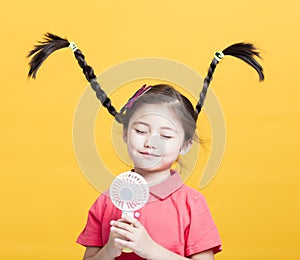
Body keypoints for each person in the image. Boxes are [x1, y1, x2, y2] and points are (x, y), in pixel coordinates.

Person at [28, 33, 264, 259]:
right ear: (125, 134)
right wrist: (110, 249)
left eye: (166, 135)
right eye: (141, 131)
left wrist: (150, 249)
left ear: (185, 145)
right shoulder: (107, 201)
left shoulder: (191, 204)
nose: (151, 142)